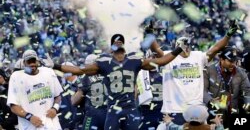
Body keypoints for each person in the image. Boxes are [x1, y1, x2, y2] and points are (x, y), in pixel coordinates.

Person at [51, 33, 187, 130]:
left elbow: (161, 61)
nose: (118, 43)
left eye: (120, 41)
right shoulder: (104, 62)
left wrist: (179, 49)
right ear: (111, 46)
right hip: (113, 110)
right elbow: (79, 70)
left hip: (130, 109)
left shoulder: (135, 60)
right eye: (115, 42)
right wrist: (55, 66)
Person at [161, 20, 238, 125]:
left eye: (187, 45)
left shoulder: (198, 56)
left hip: (196, 107)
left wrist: (228, 35)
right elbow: (156, 52)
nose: (186, 48)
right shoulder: (168, 57)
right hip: (175, 108)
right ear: (177, 47)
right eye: (183, 46)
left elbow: (216, 48)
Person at [7, 49, 63, 130]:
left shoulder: (48, 72)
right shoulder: (16, 77)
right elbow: (14, 106)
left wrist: (55, 108)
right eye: (29, 62)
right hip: (30, 126)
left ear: (37, 61)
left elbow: (58, 96)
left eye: (34, 61)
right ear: (24, 63)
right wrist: (29, 117)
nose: (32, 64)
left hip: (52, 125)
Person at [203, 46, 250, 128]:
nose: (233, 64)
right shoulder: (208, 71)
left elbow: (247, 92)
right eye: (230, 61)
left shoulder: (241, 73)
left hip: (233, 113)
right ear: (221, 59)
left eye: (234, 61)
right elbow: (202, 90)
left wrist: (247, 107)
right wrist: (210, 101)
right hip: (214, 113)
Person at [71, 54, 108, 130]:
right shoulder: (109, 74)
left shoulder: (85, 77)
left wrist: (81, 90)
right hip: (109, 114)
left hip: (92, 115)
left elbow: (74, 102)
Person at [138, 50, 164, 130]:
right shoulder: (140, 73)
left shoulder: (165, 71)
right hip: (146, 109)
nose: (153, 60)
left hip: (162, 109)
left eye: (154, 57)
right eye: (151, 57)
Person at [157, 105, 224, 130]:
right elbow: (220, 128)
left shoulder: (182, 128)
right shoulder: (211, 128)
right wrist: (218, 123)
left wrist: (168, 121)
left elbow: (170, 126)